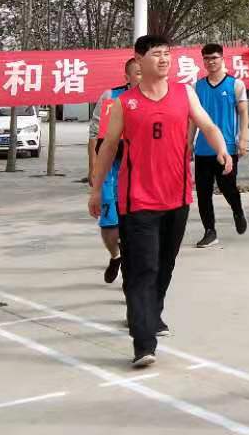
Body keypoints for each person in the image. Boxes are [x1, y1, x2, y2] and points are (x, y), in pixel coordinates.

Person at [88, 34, 234, 368]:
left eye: (168, 53)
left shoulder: (185, 93)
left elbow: (207, 125)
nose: (164, 59)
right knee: (144, 268)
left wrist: (222, 149)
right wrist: (96, 189)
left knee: (164, 266)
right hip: (137, 201)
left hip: (177, 198)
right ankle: (144, 343)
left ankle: (149, 314)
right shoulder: (125, 104)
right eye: (157, 54)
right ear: (139, 60)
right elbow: (107, 147)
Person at [88, 57, 140, 283]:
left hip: (139, 171)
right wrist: (93, 167)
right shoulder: (111, 97)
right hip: (110, 170)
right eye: (138, 73)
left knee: (136, 225)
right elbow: (94, 135)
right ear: (127, 77)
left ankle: (131, 271)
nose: (143, 77)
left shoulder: (158, 98)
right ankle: (115, 256)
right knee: (109, 223)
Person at [191, 43, 249, 247]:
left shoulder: (235, 85)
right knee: (203, 192)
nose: (210, 62)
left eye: (214, 58)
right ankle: (210, 231)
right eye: (206, 58)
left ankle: (237, 211)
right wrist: (188, 143)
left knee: (227, 187)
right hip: (202, 149)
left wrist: (243, 139)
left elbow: (243, 113)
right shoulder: (197, 87)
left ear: (222, 58)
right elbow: (193, 119)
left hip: (228, 148)